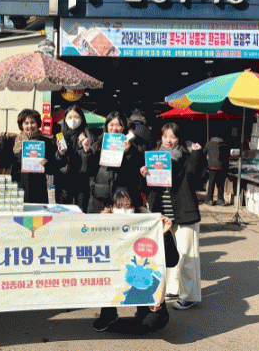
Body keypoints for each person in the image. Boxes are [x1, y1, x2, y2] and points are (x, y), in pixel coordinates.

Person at [93, 189, 179, 334]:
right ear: (111, 208)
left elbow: (172, 261)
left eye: (128, 207)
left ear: (135, 208)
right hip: (114, 279)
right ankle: (108, 315)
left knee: (155, 320)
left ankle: (142, 312)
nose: (124, 211)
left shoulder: (149, 228)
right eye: (119, 207)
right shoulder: (102, 230)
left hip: (141, 282)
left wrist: (163, 234)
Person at [140, 122, 203, 311]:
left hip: (184, 212)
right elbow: (146, 190)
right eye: (166, 136)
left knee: (187, 256)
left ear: (179, 139)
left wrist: (196, 154)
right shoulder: (153, 157)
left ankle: (190, 295)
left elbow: (195, 178)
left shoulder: (186, 155)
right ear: (161, 137)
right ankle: (174, 288)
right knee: (170, 256)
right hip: (163, 214)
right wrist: (144, 175)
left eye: (173, 136)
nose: (169, 140)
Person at [87, 111, 143, 213]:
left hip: (122, 198)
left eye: (118, 125)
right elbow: (89, 169)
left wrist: (128, 153)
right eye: (111, 125)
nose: (114, 128)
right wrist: (87, 152)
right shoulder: (97, 145)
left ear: (124, 127)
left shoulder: (133, 147)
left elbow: (135, 171)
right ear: (106, 126)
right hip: (100, 196)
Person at [7, 109, 57, 204]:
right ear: (21, 125)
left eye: (32, 122)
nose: (29, 126)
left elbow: (53, 169)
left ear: (38, 124)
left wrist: (47, 163)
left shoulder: (47, 141)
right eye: (26, 123)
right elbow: (6, 162)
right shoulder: (14, 141)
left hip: (38, 189)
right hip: (18, 187)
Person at [54, 105, 94, 212]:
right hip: (63, 182)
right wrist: (60, 153)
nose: (73, 120)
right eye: (70, 117)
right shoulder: (59, 136)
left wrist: (86, 150)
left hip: (81, 183)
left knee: (81, 213)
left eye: (76, 117)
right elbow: (55, 163)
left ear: (82, 119)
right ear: (65, 119)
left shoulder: (88, 137)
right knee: (62, 213)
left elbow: (91, 166)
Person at [203, 135, 230, 206]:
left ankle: (209, 200)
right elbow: (228, 156)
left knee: (211, 183)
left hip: (212, 167)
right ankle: (220, 200)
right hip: (222, 167)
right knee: (220, 184)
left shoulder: (209, 144)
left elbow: (203, 152)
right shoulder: (224, 145)